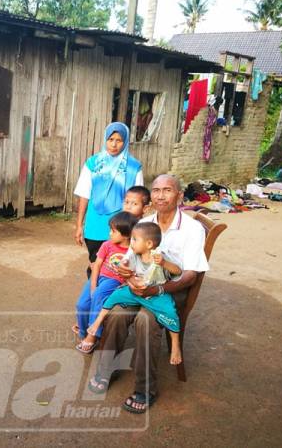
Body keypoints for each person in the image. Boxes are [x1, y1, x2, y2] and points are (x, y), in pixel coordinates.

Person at [88, 174, 209, 414]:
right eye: (156, 190)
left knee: (145, 320)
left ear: (180, 195)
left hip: (171, 290)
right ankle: (105, 370)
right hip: (140, 287)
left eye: (167, 190)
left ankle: (145, 389)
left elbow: (190, 276)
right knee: (118, 312)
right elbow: (128, 256)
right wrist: (125, 271)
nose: (160, 195)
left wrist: (159, 289)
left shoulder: (192, 229)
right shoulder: (144, 222)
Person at [87, 222, 183, 365]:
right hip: (135, 291)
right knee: (114, 296)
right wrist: (124, 269)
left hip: (155, 294)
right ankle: (97, 323)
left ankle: (175, 345)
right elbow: (125, 266)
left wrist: (164, 264)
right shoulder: (135, 255)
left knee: (170, 312)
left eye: (134, 239)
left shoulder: (160, 256)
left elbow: (178, 271)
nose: (131, 243)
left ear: (149, 244)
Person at [73, 186, 150, 353]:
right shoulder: (108, 244)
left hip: (116, 280)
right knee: (82, 304)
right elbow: (97, 264)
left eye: (134, 203)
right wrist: (93, 283)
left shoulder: (138, 241)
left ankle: (93, 335)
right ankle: (83, 326)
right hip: (100, 276)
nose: (128, 206)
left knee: (99, 295)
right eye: (126, 202)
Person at [74, 122, 143, 277]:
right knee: (95, 263)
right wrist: (79, 225)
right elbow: (84, 195)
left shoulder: (133, 167)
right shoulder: (93, 163)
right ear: (105, 139)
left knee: (116, 265)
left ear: (125, 142)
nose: (114, 144)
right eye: (110, 139)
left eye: (119, 140)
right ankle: (94, 295)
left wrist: (135, 228)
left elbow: (138, 200)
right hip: (94, 224)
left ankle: (106, 297)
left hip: (121, 225)